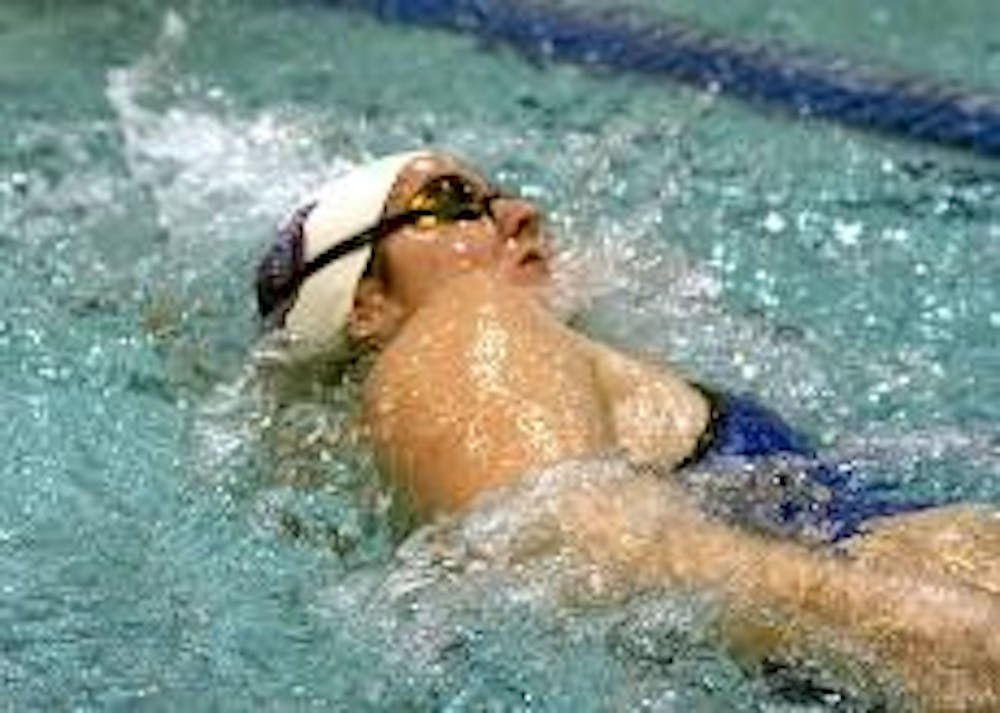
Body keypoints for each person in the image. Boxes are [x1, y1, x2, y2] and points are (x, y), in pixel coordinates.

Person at [255, 150, 1000, 708]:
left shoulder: (529, 369)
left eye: (501, 191)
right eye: (450, 202)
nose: (519, 214)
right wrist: (932, 633)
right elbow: (560, 538)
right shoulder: (467, 323)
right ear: (365, 305)